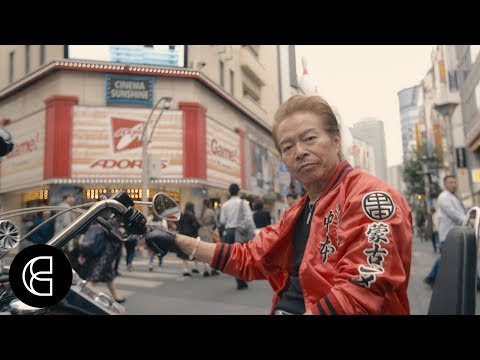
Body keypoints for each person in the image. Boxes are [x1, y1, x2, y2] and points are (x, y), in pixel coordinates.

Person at [144, 95, 413, 315]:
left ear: (336, 139)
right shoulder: (298, 211)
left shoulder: (370, 196)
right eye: (287, 147)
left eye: (309, 138)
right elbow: (249, 258)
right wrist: (176, 241)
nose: (300, 152)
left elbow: (362, 290)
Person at [424, 175, 472, 287]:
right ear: (444, 184)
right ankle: (432, 277)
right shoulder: (443, 197)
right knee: (454, 257)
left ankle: (432, 277)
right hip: (449, 235)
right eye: (450, 182)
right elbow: (453, 214)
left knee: (450, 258)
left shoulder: (453, 197)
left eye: (455, 182)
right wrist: (469, 220)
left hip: (456, 234)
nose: (453, 184)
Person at [218, 183, 256, 290]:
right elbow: (249, 218)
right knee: (243, 255)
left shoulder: (225, 205)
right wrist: (250, 230)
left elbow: (222, 221)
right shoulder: (243, 203)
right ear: (238, 191)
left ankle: (239, 278)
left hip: (230, 232)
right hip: (241, 232)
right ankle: (243, 277)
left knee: (234, 257)